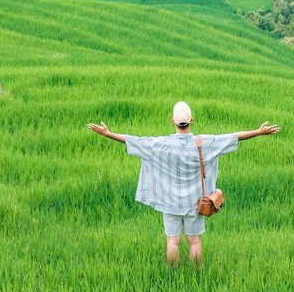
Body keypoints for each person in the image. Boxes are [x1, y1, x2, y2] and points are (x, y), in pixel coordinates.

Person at [88, 101, 279, 267]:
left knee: (173, 241)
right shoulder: (205, 143)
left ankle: (174, 277)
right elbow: (233, 136)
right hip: (196, 203)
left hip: (169, 203)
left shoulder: (161, 144)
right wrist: (259, 132)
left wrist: (108, 133)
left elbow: (133, 140)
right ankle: (195, 274)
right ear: (191, 121)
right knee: (194, 241)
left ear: (173, 121)